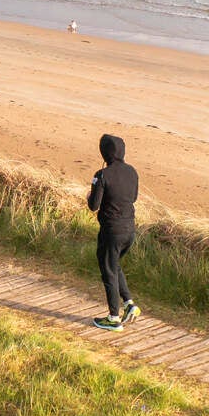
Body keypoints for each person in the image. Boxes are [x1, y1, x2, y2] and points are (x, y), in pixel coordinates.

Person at [87, 133, 140, 329]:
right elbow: (133, 197)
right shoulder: (132, 172)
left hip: (112, 230)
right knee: (114, 264)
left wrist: (89, 194)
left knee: (108, 270)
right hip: (130, 229)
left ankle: (113, 318)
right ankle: (129, 304)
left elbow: (94, 205)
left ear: (105, 153)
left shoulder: (102, 175)